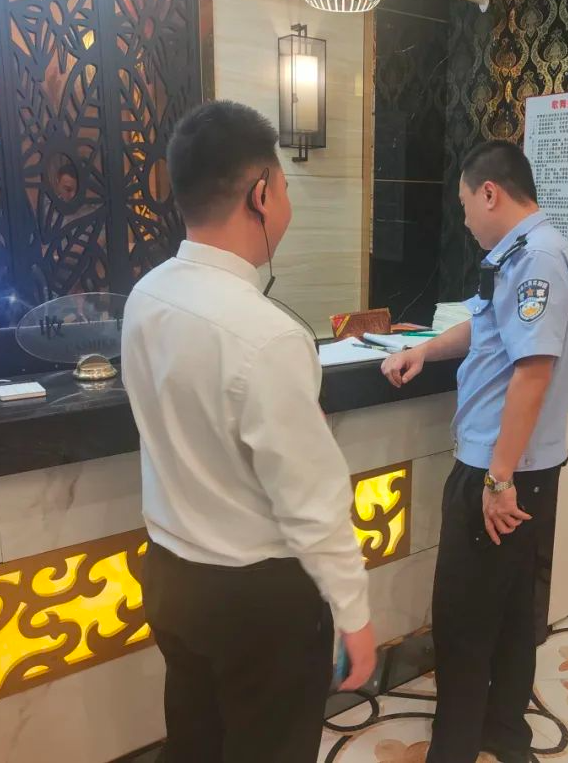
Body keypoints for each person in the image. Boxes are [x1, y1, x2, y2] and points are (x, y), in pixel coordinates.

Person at [121, 100, 376, 762]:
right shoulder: (269, 335)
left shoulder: (146, 295)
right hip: (257, 601)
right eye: (284, 186)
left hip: (171, 577)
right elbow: (313, 503)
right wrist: (354, 614)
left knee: (195, 746)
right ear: (260, 195)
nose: (287, 203)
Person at [381, 140, 568, 762]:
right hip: (520, 469)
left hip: (500, 471)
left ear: (489, 193)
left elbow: (532, 371)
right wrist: (424, 350)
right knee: (510, 613)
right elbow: (487, 324)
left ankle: (455, 749)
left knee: (464, 619)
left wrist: (498, 480)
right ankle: (503, 733)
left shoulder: (536, 258)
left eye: (466, 204)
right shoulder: (528, 252)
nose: (465, 220)